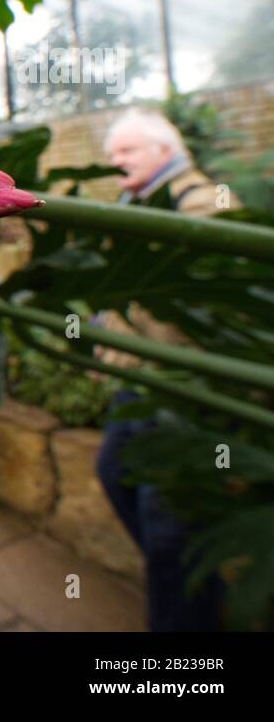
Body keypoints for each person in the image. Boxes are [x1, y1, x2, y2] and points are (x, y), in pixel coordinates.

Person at [94, 107, 234, 631]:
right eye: (112, 153)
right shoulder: (137, 203)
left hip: (182, 390)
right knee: (115, 475)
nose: (115, 161)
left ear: (164, 150)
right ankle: (198, 597)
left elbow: (202, 301)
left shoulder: (201, 204)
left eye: (127, 150)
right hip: (141, 385)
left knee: (170, 523)